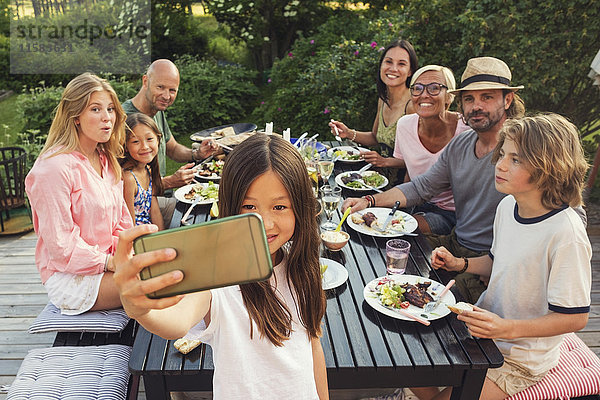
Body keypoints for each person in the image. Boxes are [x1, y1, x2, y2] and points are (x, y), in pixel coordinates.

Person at [113, 134, 328, 399]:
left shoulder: (303, 268)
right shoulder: (217, 277)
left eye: (280, 206)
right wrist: (141, 308)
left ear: (300, 208)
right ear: (229, 206)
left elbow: (313, 346)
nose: (265, 222)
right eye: (248, 206)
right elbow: (176, 321)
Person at [419, 113, 591, 400]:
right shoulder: (508, 206)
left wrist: (507, 328)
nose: (499, 165)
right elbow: (498, 261)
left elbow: (575, 318)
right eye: (503, 155)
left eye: (516, 159)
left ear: (549, 167)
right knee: (405, 352)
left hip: (518, 358)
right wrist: (459, 263)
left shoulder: (566, 234)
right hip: (481, 328)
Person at [343, 56, 525, 303]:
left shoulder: (524, 148)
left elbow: (560, 213)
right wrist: (368, 200)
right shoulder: (462, 143)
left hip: (489, 260)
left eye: (487, 97)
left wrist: (505, 264)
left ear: (508, 99)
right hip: (455, 243)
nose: (476, 106)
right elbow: (422, 186)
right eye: (469, 99)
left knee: (439, 317)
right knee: (386, 257)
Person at [25, 73, 133, 315]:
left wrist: (128, 252)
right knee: (156, 284)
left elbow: (121, 223)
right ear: (75, 117)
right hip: (70, 277)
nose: (107, 118)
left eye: (111, 109)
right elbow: (61, 247)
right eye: (96, 109)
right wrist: (109, 263)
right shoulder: (53, 169)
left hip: (110, 262)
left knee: (177, 268)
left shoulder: (106, 160)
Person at [122, 59, 219, 224]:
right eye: (160, 87)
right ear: (145, 81)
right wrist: (169, 182)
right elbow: (122, 185)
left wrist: (197, 153)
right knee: (203, 214)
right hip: (145, 206)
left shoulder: (157, 110)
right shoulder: (124, 119)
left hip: (159, 196)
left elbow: (172, 148)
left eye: (172, 90)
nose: (166, 96)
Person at [329, 39, 418, 185]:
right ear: (381, 65)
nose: (393, 68)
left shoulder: (412, 106)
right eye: (388, 62)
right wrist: (349, 133)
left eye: (401, 64)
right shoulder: (383, 100)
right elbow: (375, 137)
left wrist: (384, 161)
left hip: (403, 188)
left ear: (410, 72)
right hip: (377, 181)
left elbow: (418, 159)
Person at [394, 64, 470, 235]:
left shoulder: (467, 130)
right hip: (415, 201)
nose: (424, 95)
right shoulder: (404, 125)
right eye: (417, 88)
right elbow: (409, 171)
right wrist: (400, 207)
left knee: (401, 228)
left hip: (450, 213)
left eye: (434, 88)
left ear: (449, 96)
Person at [120, 113, 165, 230]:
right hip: (139, 237)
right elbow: (130, 223)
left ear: (158, 139)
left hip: (151, 231)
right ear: (126, 146)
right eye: (135, 142)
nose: (144, 146)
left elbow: (154, 210)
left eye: (149, 139)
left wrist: (163, 236)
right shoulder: (129, 179)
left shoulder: (147, 169)